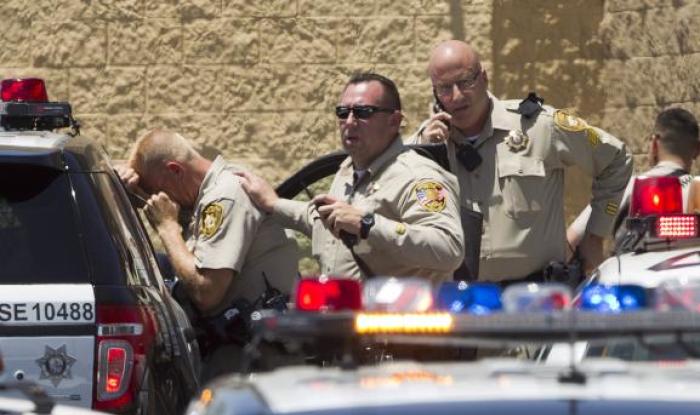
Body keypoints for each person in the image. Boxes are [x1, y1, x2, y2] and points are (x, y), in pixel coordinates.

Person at [409, 40, 632, 283]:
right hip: (459, 299)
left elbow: (617, 159)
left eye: (465, 82)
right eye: (444, 88)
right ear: (434, 92)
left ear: (484, 78)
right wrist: (425, 155)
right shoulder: (422, 147)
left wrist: (595, 235)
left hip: (536, 296)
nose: (456, 95)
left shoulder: (541, 125)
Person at [237, 72, 465, 283]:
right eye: (343, 113)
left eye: (363, 112)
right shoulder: (348, 169)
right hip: (342, 321)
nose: (349, 121)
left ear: (394, 121)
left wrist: (367, 224)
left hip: (397, 323)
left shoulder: (418, 177)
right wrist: (273, 203)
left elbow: (449, 248)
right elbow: (327, 222)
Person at [116, 129, 299, 380]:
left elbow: (206, 292)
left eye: (155, 190)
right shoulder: (207, 192)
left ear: (175, 171)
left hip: (255, 367)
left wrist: (167, 228)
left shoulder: (224, 197)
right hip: (240, 361)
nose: (155, 200)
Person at [569, 107, 699, 248]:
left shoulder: (626, 188)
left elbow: (572, 239)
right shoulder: (696, 190)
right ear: (697, 149)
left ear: (654, 143)